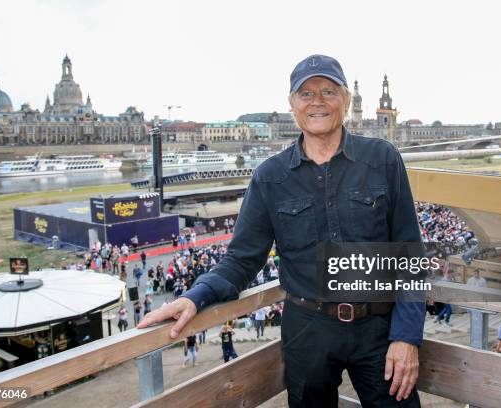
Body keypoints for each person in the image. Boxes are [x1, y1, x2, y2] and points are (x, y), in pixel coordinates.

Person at [139, 54, 425, 406]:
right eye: (305, 94)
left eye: (328, 91)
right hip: (308, 330)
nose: (317, 101)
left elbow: (410, 254)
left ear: (346, 101)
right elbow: (241, 260)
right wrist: (194, 297)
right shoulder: (270, 177)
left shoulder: (383, 158)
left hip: (378, 328)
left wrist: (407, 337)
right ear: (292, 105)